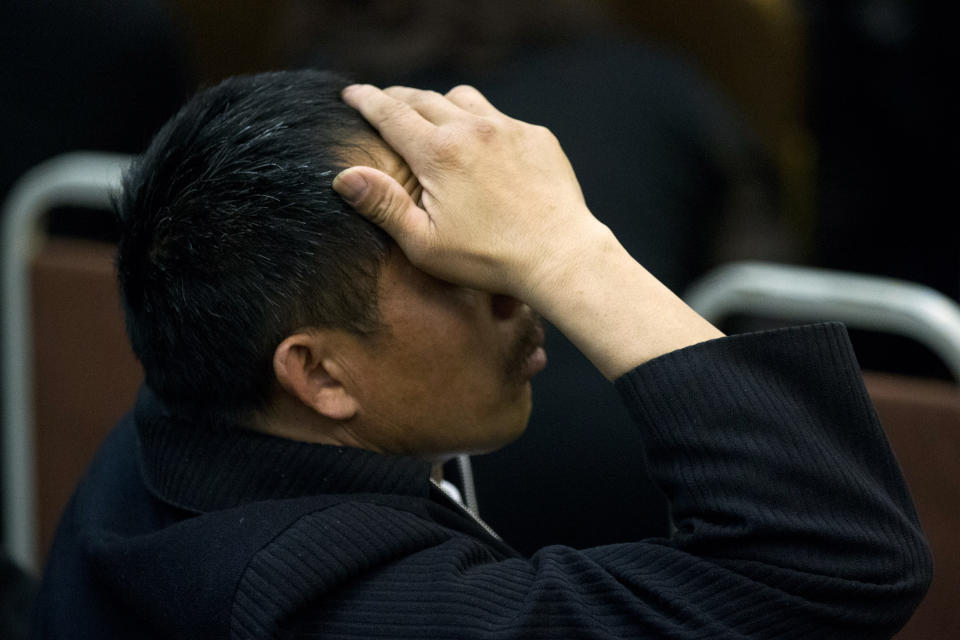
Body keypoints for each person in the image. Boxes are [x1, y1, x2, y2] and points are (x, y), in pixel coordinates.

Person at [31, 70, 930, 638]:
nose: (518, 288)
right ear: (320, 375)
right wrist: (570, 251)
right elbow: (839, 560)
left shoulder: (189, 415)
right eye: (447, 266)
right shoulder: (346, 608)